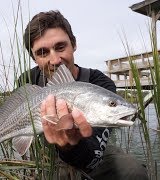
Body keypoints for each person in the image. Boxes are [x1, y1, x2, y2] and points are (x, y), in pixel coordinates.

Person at [19, 10, 148, 180]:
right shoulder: (27, 79)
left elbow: (92, 155)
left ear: (74, 44)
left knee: (133, 172)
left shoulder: (101, 83)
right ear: (34, 58)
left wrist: (70, 146)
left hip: (89, 146)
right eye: (43, 52)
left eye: (60, 47)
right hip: (46, 153)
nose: (55, 60)